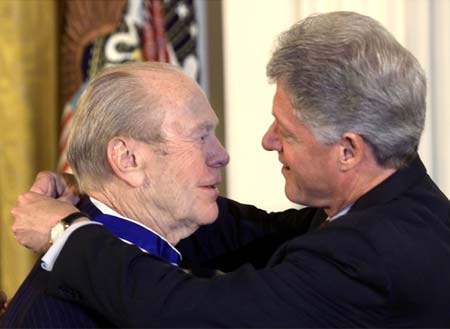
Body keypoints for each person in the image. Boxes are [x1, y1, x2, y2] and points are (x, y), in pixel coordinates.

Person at [11, 11, 450, 328]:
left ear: (349, 151)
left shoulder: (367, 255)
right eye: (200, 136)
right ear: (127, 159)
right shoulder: (404, 203)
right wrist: (95, 198)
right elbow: (245, 233)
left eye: (288, 132)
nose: (265, 141)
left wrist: (64, 232)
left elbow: (190, 311)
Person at [1, 62, 230, 328]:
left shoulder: (137, 273)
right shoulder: (65, 312)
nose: (222, 156)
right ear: (127, 159)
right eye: (200, 137)